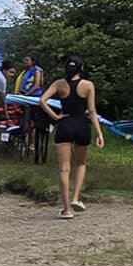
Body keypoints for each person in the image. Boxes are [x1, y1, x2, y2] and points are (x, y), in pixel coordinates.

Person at [42, 53, 101, 215]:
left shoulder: (59, 84)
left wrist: (54, 116)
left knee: (63, 169)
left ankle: (67, 209)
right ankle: (76, 197)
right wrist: (99, 133)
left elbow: (42, 100)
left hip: (65, 125)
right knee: (81, 164)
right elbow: (92, 111)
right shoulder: (88, 85)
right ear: (81, 68)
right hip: (82, 125)